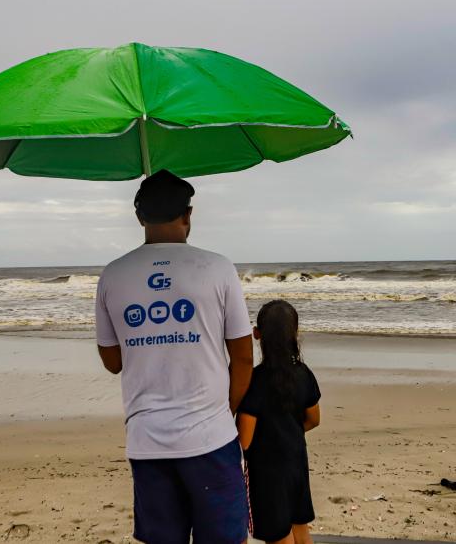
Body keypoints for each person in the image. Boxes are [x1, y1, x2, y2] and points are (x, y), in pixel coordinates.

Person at [95, 170, 254, 544]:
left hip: (147, 441)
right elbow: (244, 358)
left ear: (139, 217)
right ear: (188, 215)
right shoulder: (218, 268)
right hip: (211, 438)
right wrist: (224, 410)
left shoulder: (113, 275)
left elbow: (113, 362)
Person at [237, 300, 322, 544]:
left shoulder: (255, 381)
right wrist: (288, 433)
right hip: (296, 461)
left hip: (267, 472)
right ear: (295, 333)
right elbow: (313, 419)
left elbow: (245, 440)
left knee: (278, 536)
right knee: (300, 528)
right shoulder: (304, 373)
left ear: (257, 334)